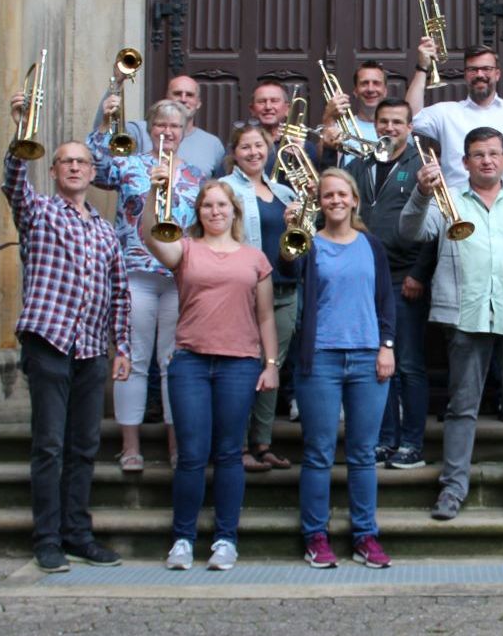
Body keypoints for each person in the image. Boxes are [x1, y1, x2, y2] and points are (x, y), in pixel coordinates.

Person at [400, 126, 503, 523]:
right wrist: (421, 193)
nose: (487, 160)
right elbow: (410, 230)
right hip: (465, 317)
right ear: (465, 162)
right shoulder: (447, 199)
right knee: (461, 407)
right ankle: (453, 488)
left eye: (493, 154)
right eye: (478, 154)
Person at [2, 92, 130, 574]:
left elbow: (120, 292)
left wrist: (122, 347)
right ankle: (48, 539)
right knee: (49, 446)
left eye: (82, 162)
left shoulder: (105, 231)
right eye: (65, 162)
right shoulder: (38, 213)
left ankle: (78, 533)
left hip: (92, 349)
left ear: (93, 172)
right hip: (49, 342)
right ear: (54, 171)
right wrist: (22, 129)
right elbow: (13, 183)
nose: (75, 167)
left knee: (84, 447)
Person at [142, 180, 279, 572]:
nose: (215, 211)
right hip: (191, 363)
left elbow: (265, 316)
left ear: (234, 211)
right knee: (191, 454)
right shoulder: (186, 249)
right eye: (207, 206)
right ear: (198, 212)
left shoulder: (255, 258)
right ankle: (183, 539)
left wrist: (271, 365)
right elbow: (150, 236)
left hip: (240, 363)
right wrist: (154, 194)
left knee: (230, 453)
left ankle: (225, 540)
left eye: (222, 205)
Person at [283, 168, 397, 569]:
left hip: (368, 356)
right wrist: (291, 231)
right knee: (319, 453)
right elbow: (286, 271)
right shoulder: (309, 243)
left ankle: (365, 535)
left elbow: (386, 299)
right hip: (320, 359)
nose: (335, 200)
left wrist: (387, 346)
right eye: (327, 195)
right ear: (319, 202)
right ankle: (315, 536)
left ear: (354, 200)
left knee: (363, 454)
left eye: (341, 194)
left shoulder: (371, 245)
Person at [87, 97, 204, 473]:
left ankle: (175, 444)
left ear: (185, 131)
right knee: (133, 360)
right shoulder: (129, 164)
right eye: (160, 125)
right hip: (135, 273)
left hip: (177, 277)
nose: (167, 132)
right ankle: (130, 446)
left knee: (173, 362)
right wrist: (104, 122)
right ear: (150, 128)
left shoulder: (196, 176)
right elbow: (93, 166)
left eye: (175, 126)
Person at [342, 98, 431, 469]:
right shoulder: (359, 164)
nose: (389, 128)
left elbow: (437, 226)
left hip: (405, 276)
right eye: (383, 122)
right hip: (366, 277)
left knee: (408, 364)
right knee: (379, 363)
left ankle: (411, 443)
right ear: (375, 125)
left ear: (410, 128)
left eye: (397, 122)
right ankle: (386, 439)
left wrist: (419, 273)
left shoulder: (422, 164)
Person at [221, 123, 299, 472]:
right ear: (234, 153)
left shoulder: (283, 191)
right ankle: (238, 446)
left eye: (259, 146)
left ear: (269, 150)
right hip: (247, 291)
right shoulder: (226, 188)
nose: (253, 152)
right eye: (246, 147)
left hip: (285, 287)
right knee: (243, 366)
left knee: (272, 366)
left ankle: (262, 443)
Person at [405, 42, 503, 187]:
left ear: (497, 74)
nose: (479, 74)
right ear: (465, 75)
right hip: (455, 199)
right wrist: (422, 67)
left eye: (486, 69)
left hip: (501, 199)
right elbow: (409, 118)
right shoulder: (446, 113)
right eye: (473, 69)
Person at [319, 60, 388, 167]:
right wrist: (328, 118)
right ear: (355, 91)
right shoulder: (341, 128)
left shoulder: (395, 129)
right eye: (364, 83)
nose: (370, 89)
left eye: (376, 83)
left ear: (385, 91)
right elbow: (321, 159)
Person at [165, 75, 226, 175]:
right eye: (177, 94)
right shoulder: (141, 132)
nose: (183, 99)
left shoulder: (213, 145)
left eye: (189, 95)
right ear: (167, 99)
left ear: (198, 103)